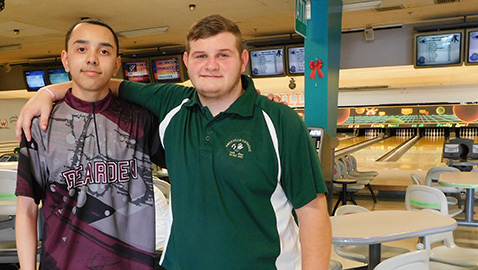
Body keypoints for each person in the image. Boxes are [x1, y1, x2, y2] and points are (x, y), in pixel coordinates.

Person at [17, 14, 331, 270]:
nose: (211, 65)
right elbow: (98, 83)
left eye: (223, 55)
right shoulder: (171, 105)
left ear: (243, 60)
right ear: (186, 61)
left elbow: (313, 212)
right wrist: (47, 93)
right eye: (201, 56)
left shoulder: (280, 122)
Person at [15, 19, 165, 270]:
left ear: (117, 63)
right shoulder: (41, 125)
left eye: (104, 51)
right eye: (81, 49)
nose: (92, 58)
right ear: (65, 59)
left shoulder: (141, 120)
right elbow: (27, 209)